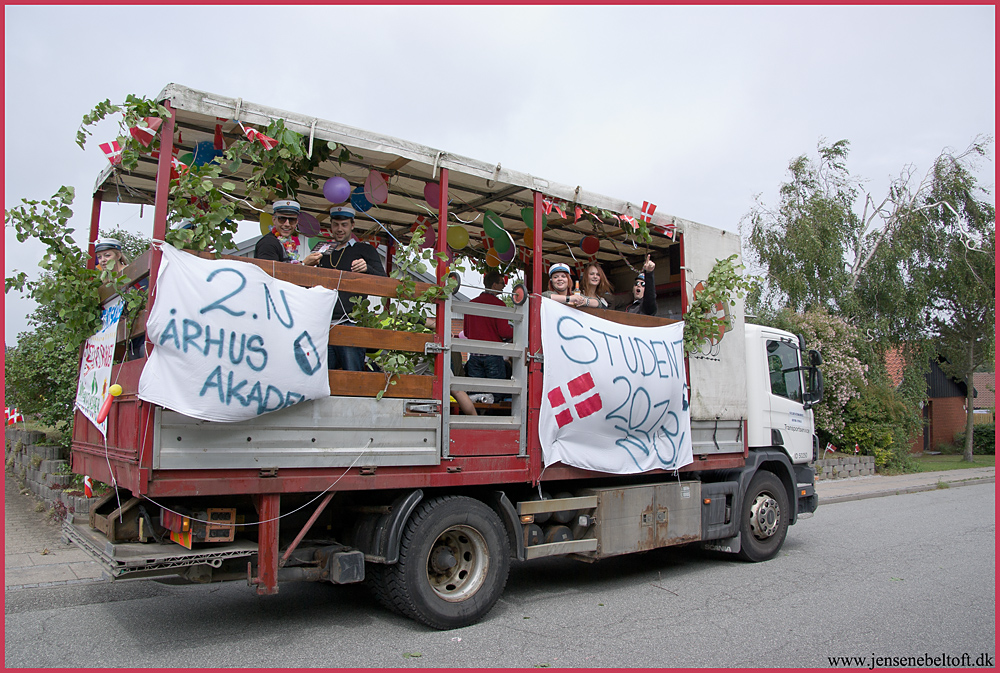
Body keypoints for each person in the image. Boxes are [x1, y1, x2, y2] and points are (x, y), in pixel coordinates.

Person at [308, 205, 386, 371]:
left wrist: (367, 269)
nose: (339, 229)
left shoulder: (364, 249)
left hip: (351, 322)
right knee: (324, 376)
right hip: (324, 323)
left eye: (344, 224)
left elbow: (384, 281)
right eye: (336, 224)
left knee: (352, 377)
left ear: (352, 225)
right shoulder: (322, 252)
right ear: (331, 226)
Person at [463, 270, 513, 380]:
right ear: (494, 285)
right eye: (502, 283)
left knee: (476, 392)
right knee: (496, 391)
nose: (504, 286)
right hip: (493, 355)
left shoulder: (471, 304)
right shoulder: (499, 304)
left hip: (474, 355)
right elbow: (504, 332)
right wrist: (519, 331)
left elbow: (466, 331)